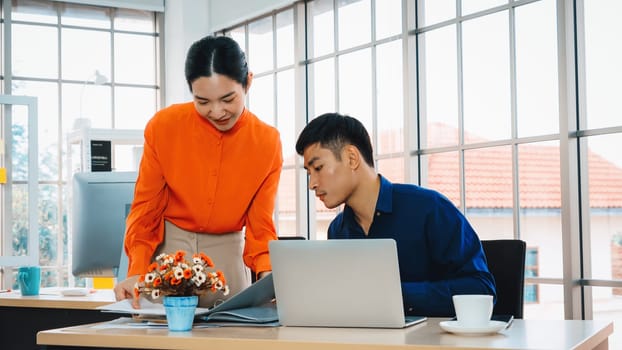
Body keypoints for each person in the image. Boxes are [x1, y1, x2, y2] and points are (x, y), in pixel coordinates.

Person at [114, 35, 282, 308]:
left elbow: (261, 226)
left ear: (248, 82)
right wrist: (136, 271)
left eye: (228, 99)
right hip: (168, 255)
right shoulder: (164, 127)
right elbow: (146, 210)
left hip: (228, 257)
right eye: (202, 101)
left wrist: (270, 281)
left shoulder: (267, 142)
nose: (217, 112)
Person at [295, 112, 496, 317]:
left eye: (318, 168)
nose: (312, 184)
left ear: (351, 158)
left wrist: (396, 295)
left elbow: (481, 290)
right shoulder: (338, 230)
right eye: (309, 173)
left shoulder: (430, 208)